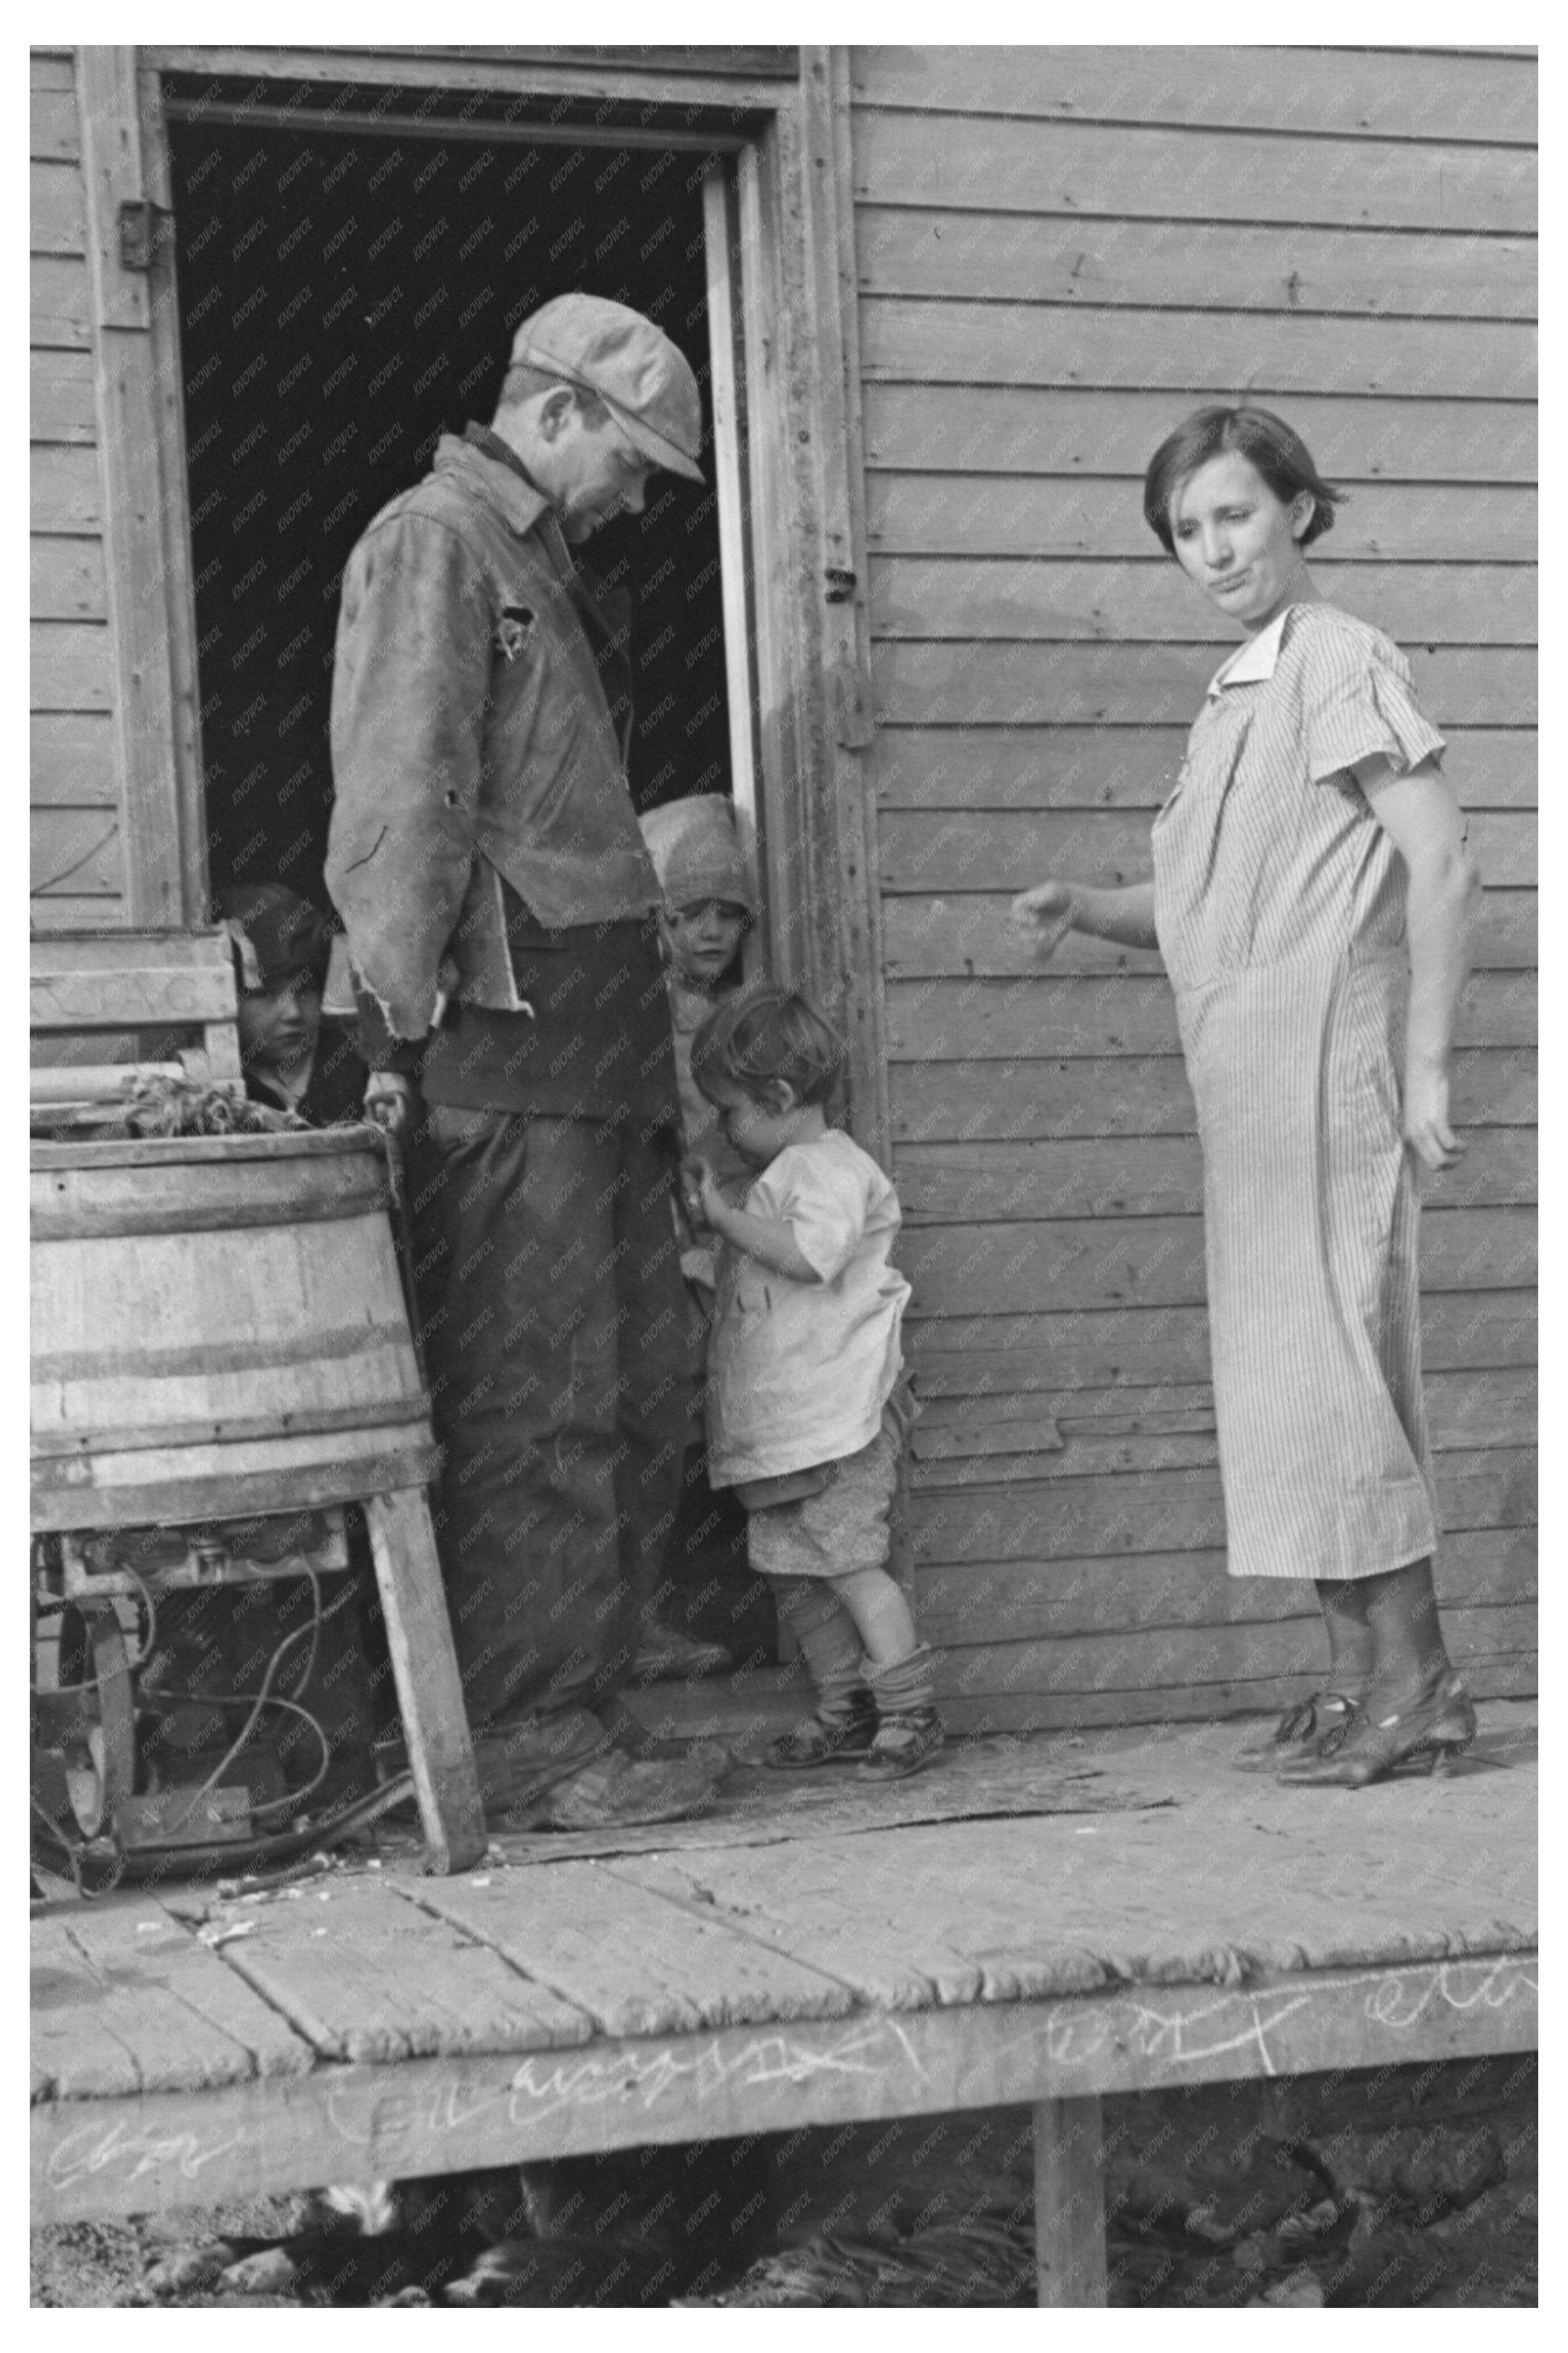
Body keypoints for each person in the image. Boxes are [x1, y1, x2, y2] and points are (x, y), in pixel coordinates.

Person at [1011, 404, 1482, 1788]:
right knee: (1288, 1379)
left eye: (1234, 514)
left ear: (1296, 508)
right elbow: (1211, 900)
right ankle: (1358, 1684)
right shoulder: (1239, 689)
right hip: (1246, 1082)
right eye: (1186, 530)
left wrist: (1430, 1063)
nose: (1214, 548)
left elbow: (1443, 859)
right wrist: (1088, 905)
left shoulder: (1337, 657)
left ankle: (1421, 1685)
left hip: (1328, 1059)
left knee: (1336, 1364)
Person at [324, 294, 719, 1819]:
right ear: (553, 414)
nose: (638, 497)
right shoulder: (435, 541)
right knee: (539, 1394)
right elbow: (401, 792)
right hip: (506, 1041)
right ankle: (537, 1732)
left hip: (598, 1040)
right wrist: (392, 1022)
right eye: (632, 460)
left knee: (626, 1383)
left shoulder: (538, 567)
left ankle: (592, 1696)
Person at [685, 987, 944, 1779]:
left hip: (841, 1419)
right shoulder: (788, 1172)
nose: (725, 1129)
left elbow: (810, 1256)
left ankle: (909, 1711)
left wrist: (727, 1222)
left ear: (779, 1098)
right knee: (796, 1571)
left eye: (729, 1112)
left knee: (852, 1563)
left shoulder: (826, 1167)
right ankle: (844, 1708)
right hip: (794, 1425)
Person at [217, 881, 367, 1124]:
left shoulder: (360, 1069)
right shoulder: (216, 1089)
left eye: (306, 991)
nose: (293, 1013)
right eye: (266, 994)